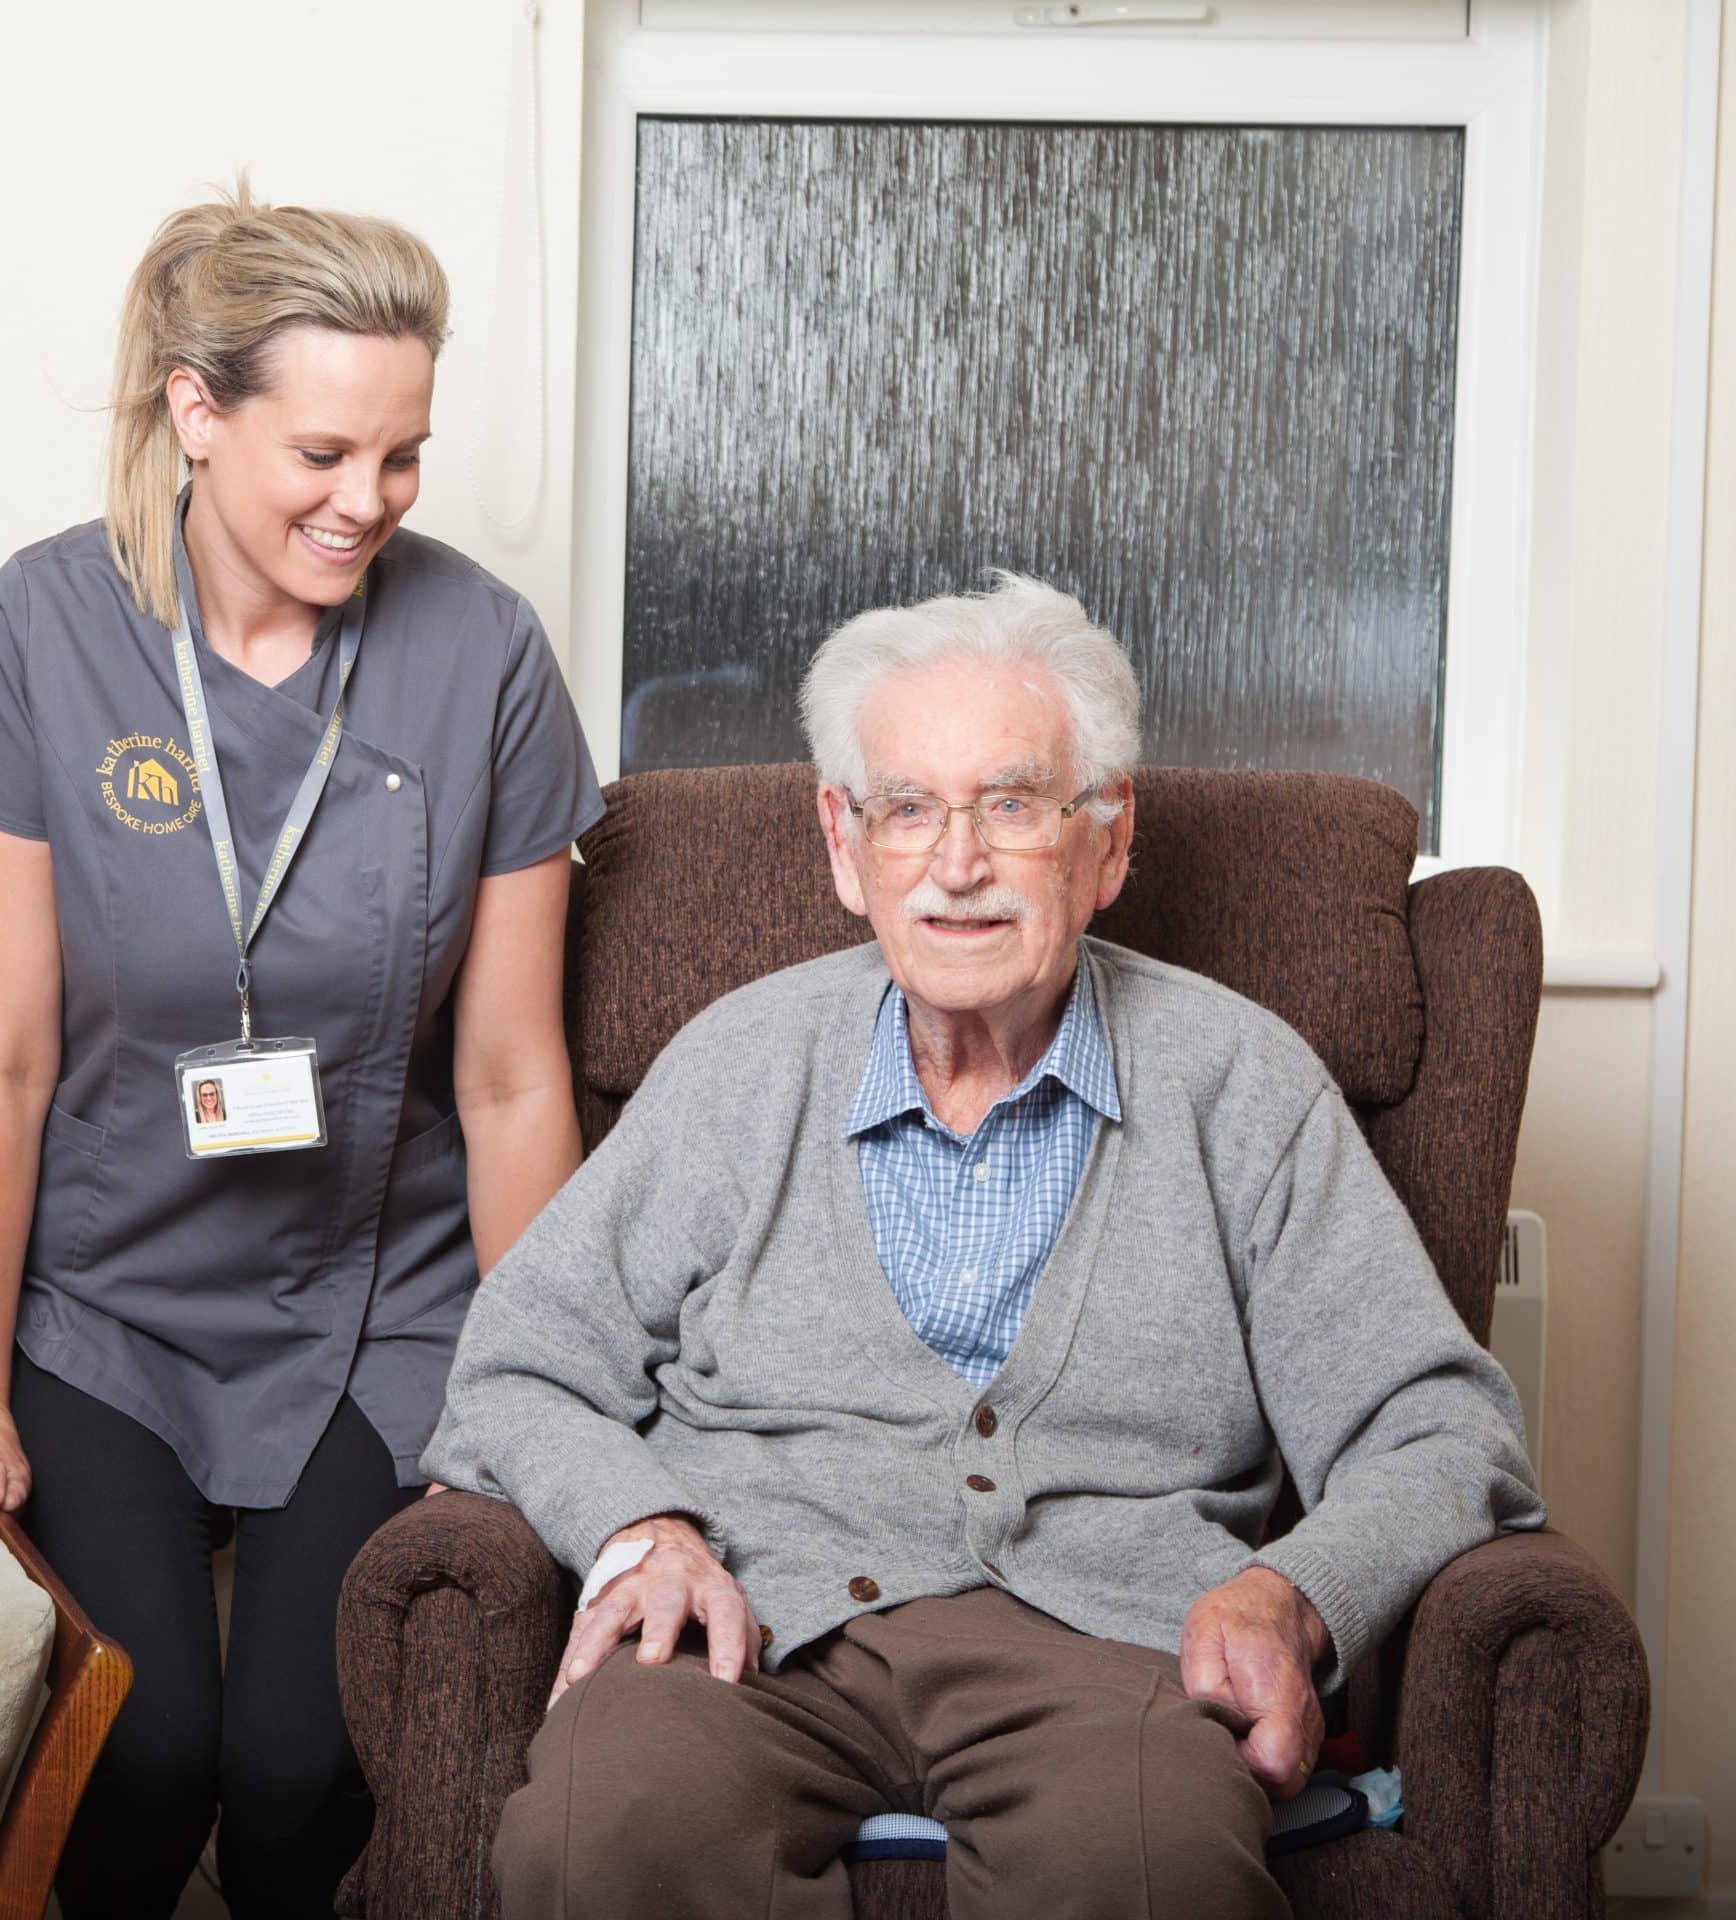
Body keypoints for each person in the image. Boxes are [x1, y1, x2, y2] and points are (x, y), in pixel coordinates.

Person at [422, 576, 1544, 1920]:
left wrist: (1289, 1594)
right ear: (844, 845)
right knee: (595, 1840)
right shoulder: (737, 1067)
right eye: (907, 810)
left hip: (1111, 1649)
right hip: (754, 1637)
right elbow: (519, 1364)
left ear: (1107, 841)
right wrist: (636, 1528)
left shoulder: (1242, 1086)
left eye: (1011, 805)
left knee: (1154, 1870)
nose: (955, 866)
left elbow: (1441, 1431)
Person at [0, 182, 604, 1918]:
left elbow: (513, 1078)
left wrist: (538, 1399)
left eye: (405, 455)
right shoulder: (40, 632)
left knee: (300, 1776)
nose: (368, 500)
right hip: (113, 1304)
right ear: (196, 412)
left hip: (382, 1306)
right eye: (324, 453)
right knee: (141, 1749)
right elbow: (0, 1059)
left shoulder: (485, 655)